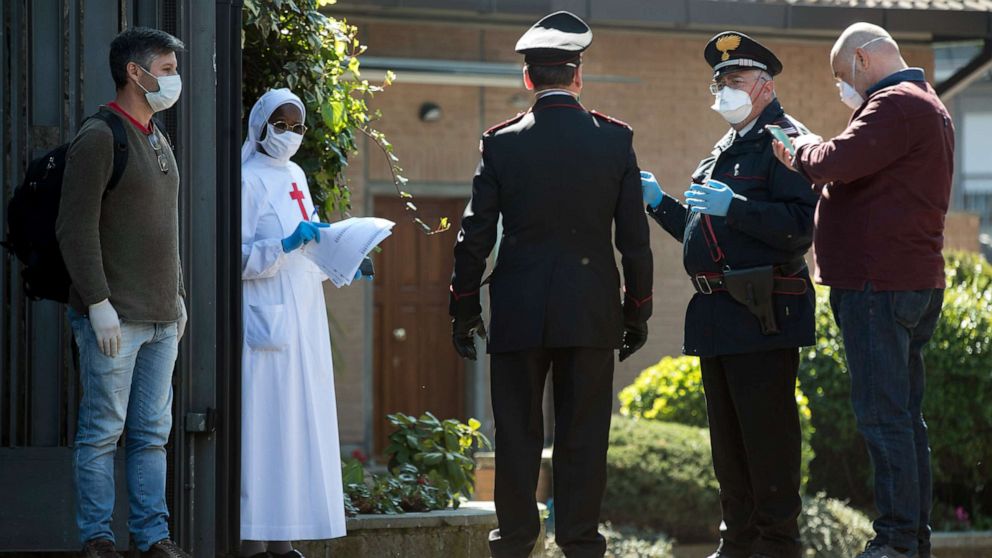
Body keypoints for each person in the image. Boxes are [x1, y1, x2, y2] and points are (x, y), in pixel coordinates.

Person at [448, 11, 653, 558]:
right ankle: (581, 545)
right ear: (578, 77)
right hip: (590, 310)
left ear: (528, 79)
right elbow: (634, 241)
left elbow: (473, 235)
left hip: (518, 309)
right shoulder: (615, 142)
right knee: (584, 437)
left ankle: (514, 544)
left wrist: (464, 307)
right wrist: (637, 311)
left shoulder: (501, 143)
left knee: (516, 436)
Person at [771, 22, 954, 558]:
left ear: (865, 57)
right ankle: (912, 537)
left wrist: (799, 150)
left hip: (879, 285)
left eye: (840, 74)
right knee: (902, 416)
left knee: (882, 417)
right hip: (908, 281)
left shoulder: (895, 103)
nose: (841, 87)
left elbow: (835, 162)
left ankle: (895, 540)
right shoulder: (927, 104)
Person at [640, 32, 819, 558]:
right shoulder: (725, 148)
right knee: (729, 446)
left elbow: (800, 227)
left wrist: (735, 207)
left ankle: (777, 545)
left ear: (764, 88)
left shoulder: (785, 140)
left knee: (767, 441)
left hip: (763, 312)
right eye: (717, 83)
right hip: (718, 313)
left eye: (734, 81)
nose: (723, 92)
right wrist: (659, 203)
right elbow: (704, 231)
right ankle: (737, 541)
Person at [56, 27, 190, 558]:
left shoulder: (157, 135)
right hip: (115, 317)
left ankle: (153, 537)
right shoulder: (99, 136)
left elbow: (165, 226)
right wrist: (96, 303)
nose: (174, 78)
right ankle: (98, 540)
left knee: (152, 435)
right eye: (166, 68)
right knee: (102, 432)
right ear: (134, 73)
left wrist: (177, 297)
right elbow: (75, 227)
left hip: (160, 318)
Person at [240, 88, 366, 558]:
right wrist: (285, 246)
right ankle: (253, 541)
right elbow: (234, 257)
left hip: (304, 319)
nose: (289, 134)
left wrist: (345, 260)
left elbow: (311, 241)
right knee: (263, 428)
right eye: (281, 124)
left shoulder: (295, 174)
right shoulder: (246, 180)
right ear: (260, 125)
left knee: (296, 427)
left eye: (297, 126)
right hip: (265, 322)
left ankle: (283, 540)